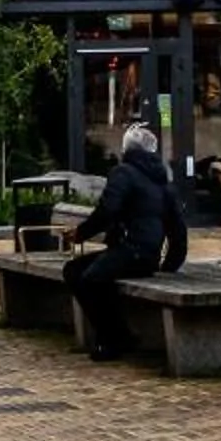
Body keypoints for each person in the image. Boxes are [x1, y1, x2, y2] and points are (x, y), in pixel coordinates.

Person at [64, 125, 179, 361]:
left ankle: (116, 338)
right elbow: (178, 228)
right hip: (146, 256)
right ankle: (113, 335)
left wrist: (80, 234)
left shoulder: (123, 173)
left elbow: (108, 209)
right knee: (74, 269)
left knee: (91, 279)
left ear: (126, 149)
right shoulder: (162, 179)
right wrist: (170, 264)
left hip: (131, 250)